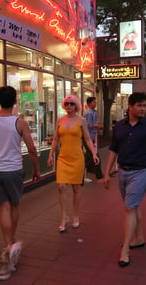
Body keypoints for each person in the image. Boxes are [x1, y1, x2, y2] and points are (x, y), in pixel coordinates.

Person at [0, 86, 40, 281]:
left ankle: (8, 246)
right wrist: (36, 170)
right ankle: (10, 245)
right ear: (15, 102)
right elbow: (32, 149)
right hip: (13, 171)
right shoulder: (20, 123)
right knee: (14, 205)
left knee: (3, 207)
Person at [103, 92, 146, 267]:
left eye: (145, 105)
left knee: (129, 208)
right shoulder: (119, 126)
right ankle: (140, 238)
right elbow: (113, 149)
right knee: (133, 208)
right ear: (130, 106)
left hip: (140, 172)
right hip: (122, 172)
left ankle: (125, 249)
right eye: (140, 105)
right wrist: (107, 173)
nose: (143, 108)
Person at [47, 95, 99, 232]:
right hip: (63, 158)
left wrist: (93, 153)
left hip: (77, 158)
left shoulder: (81, 120)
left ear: (76, 106)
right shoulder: (59, 121)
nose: (69, 105)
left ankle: (75, 215)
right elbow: (55, 140)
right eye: (67, 103)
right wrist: (51, 154)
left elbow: (87, 139)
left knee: (76, 188)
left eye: (72, 103)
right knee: (61, 186)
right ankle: (64, 217)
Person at [83, 97, 104, 183]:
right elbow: (89, 125)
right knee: (95, 157)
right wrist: (98, 126)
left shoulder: (93, 112)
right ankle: (100, 177)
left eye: (95, 102)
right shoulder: (88, 113)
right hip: (88, 138)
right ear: (89, 103)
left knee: (88, 158)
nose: (95, 104)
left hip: (91, 138)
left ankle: (82, 175)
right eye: (94, 102)